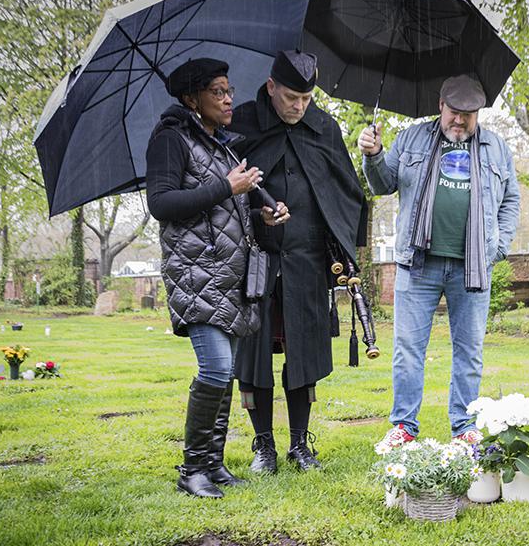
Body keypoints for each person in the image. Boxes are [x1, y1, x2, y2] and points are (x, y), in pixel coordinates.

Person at [146, 57, 291, 498]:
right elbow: (163, 203)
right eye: (218, 92)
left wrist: (263, 211)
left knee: (223, 371)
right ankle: (192, 470)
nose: (229, 99)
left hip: (228, 273)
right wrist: (228, 188)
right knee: (216, 367)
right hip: (195, 270)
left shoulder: (220, 146)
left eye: (229, 91)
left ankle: (213, 465)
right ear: (193, 98)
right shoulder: (170, 140)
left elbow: (226, 209)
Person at [357, 74, 520, 450]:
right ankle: (403, 427)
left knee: (469, 350)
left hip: (473, 266)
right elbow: (383, 184)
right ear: (440, 106)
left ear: (478, 113)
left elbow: (510, 200)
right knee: (408, 349)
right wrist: (373, 156)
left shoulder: (496, 148)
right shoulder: (411, 138)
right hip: (418, 263)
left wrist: (499, 247)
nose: (460, 121)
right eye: (454, 112)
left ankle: (465, 426)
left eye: (469, 114)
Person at [228, 50, 367, 473]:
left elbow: (345, 192)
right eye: (290, 97)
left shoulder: (324, 126)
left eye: (306, 99)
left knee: (304, 351)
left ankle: (300, 445)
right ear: (271, 87)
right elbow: (221, 194)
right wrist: (255, 213)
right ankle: (263, 446)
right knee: (252, 356)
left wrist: (344, 252)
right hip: (254, 259)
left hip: (306, 262)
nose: (298, 106)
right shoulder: (242, 123)